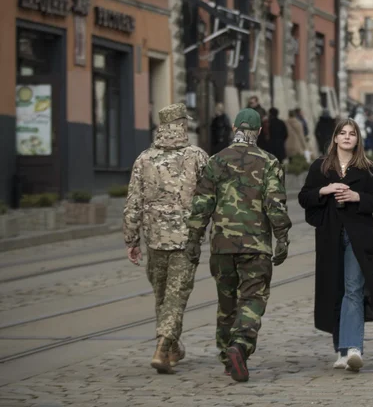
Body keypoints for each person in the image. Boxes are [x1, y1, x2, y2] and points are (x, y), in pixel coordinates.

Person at [186, 108, 292, 382]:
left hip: (222, 246)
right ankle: (240, 346)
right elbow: (275, 203)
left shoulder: (216, 161)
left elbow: (201, 204)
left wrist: (194, 240)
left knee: (227, 303)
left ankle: (226, 356)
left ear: (234, 129)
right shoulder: (269, 162)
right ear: (258, 132)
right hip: (256, 247)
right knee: (253, 299)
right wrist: (282, 237)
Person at [298, 118, 373, 372]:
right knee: (336, 290)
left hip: (358, 236)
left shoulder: (367, 168)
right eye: (342, 133)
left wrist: (356, 196)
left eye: (352, 134)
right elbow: (304, 197)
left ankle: (353, 348)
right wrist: (325, 190)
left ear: (357, 139)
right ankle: (341, 350)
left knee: (354, 288)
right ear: (335, 138)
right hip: (330, 235)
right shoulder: (320, 166)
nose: (347, 137)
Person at [123, 103, 209, 374]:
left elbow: (133, 203)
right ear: (183, 124)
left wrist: (131, 240)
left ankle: (172, 346)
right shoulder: (197, 156)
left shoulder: (144, 159)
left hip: (154, 238)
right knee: (176, 296)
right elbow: (210, 198)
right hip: (187, 239)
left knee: (162, 295)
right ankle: (163, 346)